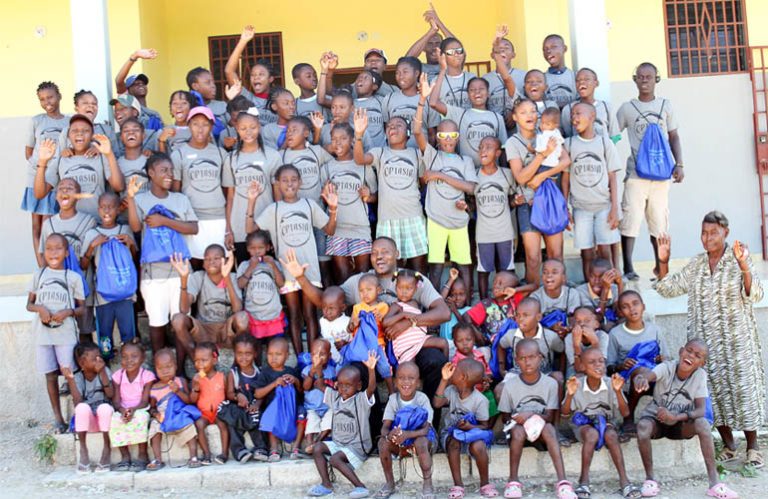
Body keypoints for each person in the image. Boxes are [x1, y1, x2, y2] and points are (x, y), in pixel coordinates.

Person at [654, 212, 765, 469]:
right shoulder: (696, 265)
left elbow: (755, 294)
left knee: (743, 391)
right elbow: (668, 288)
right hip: (704, 347)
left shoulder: (738, 259)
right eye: (704, 233)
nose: (707, 238)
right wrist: (663, 261)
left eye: (714, 232)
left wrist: (745, 266)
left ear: (726, 233)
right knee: (711, 391)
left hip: (737, 342)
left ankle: (753, 447)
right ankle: (728, 445)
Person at [280, 237, 451, 403]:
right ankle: (374, 419)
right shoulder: (360, 282)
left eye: (385, 252)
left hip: (409, 344)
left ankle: (429, 417)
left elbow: (444, 312)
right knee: (357, 370)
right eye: (374, 253)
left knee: (435, 360)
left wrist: (409, 322)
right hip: (374, 348)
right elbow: (326, 302)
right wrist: (301, 278)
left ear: (396, 254)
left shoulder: (410, 278)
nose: (379, 256)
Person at [246, 164, 339, 354]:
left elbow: (330, 230)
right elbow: (249, 230)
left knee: (310, 314)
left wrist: (333, 208)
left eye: (293, 180)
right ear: (278, 184)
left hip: (309, 269)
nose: (289, 184)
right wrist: (252, 201)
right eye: (285, 180)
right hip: (287, 271)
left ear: (300, 182)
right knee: (295, 315)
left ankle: (313, 357)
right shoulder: (274, 209)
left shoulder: (309, 205)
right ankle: (300, 358)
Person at [633, 339, 738, 498]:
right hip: (658, 421)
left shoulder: (700, 375)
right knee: (643, 426)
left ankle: (714, 484)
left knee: (702, 424)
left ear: (702, 363)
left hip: (681, 424)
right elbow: (651, 374)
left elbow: (701, 410)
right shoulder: (667, 367)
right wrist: (642, 378)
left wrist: (675, 416)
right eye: (689, 351)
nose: (691, 356)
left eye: (697, 355)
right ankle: (650, 480)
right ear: (681, 351)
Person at [125, 153, 199, 353]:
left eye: (171, 170)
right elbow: (135, 227)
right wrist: (130, 198)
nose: (170, 174)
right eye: (164, 170)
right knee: (156, 322)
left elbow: (193, 228)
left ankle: (181, 368)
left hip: (180, 270)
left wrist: (164, 221)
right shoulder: (140, 199)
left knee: (180, 321)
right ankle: (160, 365)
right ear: (151, 173)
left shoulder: (180, 199)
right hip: (153, 272)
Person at [617, 62, 684, 281]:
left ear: (656, 79)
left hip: (661, 175)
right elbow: (614, 134)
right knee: (630, 219)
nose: (644, 80)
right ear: (635, 79)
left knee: (659, 222)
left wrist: (679, 164)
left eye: (649, 76)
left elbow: (673, 136)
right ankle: (628, 267)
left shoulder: (666, 105)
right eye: (641, 76)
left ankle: (660, 267)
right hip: (636, 174)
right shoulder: (627, 108)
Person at [415, 75, 477, 292]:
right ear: (437, 138)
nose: (448, 139)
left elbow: (471, 187)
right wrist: (422, 100)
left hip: (459, 220)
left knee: (464, 265)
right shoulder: (432, 156)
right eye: (443, 135)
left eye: (452, 135)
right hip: (436, 220)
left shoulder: (465, 160)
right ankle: (434, 303)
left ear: (458, 137)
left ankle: (467, 302)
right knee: (436, 267)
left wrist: (440, 176)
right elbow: (417, 132)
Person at [498, 339, 576, 499]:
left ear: (540, 358)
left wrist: (529, 415)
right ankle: (513, 481)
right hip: (517, 434)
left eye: (532, 357)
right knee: (518, 431)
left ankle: (563, 483)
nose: (527, 362)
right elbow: (505, 417)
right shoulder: (510, 385)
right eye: (522, 358)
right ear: (516, 361)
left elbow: (549, 416)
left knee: (549, 429)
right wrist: (519, 419)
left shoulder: (550, 384)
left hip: (541, 432)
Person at [353, 110, 428, 274]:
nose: (392, 128)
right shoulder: (380, 152)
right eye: (389, 126)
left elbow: (423, 184)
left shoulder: (416, 154)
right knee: (393, 266)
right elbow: (359, 159)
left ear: (408, 133)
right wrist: (359, 135)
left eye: (398, 125)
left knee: (418, 263)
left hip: (413, 217)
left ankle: (420, 289)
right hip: (387, 220)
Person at [505, 99, 570, 285]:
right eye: (523, 112)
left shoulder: (549, 133)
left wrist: (541, 176)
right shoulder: (513, 143)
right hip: (528, 204)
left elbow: (566, 161)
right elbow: (521, 178)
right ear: (515, 117)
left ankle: (557, 296)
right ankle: (533, 297)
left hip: (550, 202)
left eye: (533, 111)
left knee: (556, 255)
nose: (530, 115)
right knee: (533, 258)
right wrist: (542, 155)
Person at [561, 347, 640, 499]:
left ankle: (625, 482)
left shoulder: (611, 383)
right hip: (582, 424)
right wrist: (570, 395)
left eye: (601, 361)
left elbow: (625, 413)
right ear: (582, 366)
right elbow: (564, 414)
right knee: (591, 434)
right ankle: (583, 481)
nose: (598, 365)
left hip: (606, 422)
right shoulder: (576, 384)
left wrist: (618, 391)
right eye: (592, 362)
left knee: (611, 435)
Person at [27, 233, 86, 433]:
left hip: (65, 334)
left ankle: (80, 417)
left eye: (58, 248)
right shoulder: (39, 275)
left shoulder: (73, 277)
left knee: (71, 374)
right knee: (50, 375)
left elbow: (82, 309)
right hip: (43, 335)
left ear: (67, 252)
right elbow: (29, 304)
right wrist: (40, 309)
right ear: (44, 252)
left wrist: (68, 312)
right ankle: (58, 418)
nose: (53, 253)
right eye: (49, 249)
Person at [562, 102, 621, 280]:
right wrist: (565, 207)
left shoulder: (605, 143)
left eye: (578, 114)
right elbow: (565, 178)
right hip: (581, 208)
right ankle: (589, 287)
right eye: (572, 115)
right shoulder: (569, 144)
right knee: (586, 252)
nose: (574, 118)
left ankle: (608, 288)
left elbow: (612, 177)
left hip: (604, 206)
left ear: (592, 116)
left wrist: (615, 207)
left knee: (604, 251)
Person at [306, 354, 379, 498]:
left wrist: (371, 370)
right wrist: (318, 367)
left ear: (358, 386)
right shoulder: (335, 397)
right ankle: (326, 485)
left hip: (357, 448)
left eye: (348, 385)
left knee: (335, 459)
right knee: (318, 447)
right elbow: (320, 385)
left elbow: (371, 388)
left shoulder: (360, 400)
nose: (343, 389)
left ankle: (360, 486)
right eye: (340, 385)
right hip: (339, 444)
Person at [36, 178, 96, 344]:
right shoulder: (49, 224)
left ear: (78, 195)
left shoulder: (89, 221)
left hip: (83, 286)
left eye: (70, 188)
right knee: (61, 336)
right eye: (61, 188)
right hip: (58, 291)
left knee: (85, 334)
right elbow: (44, 258)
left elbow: (90, 259)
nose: (64, 190)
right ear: (56, 195)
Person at [169, 245, 248, 370]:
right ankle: (197, 362)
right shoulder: (198, 277)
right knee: (177, 319)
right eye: (207, 259)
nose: (211, 261)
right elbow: (184, 310)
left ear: (225, 261)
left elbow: (238, 309)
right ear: (203, 263)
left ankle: (237, 365)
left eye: (216, 258)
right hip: (203, 330)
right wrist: (184, 279)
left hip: (226, 330)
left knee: (242, 317)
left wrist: (226, 277)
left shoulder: (233, 277)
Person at [35, 114, 125, 220]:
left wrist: (109, 154)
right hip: (71, 224)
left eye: (85, 130)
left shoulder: (100, 157)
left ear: (92, 135)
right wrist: (42, 162)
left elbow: (119, 186)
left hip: (98, 222)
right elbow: (39, 194)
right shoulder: (61, 159)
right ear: (68, 136)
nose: (80, 133)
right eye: (75, 130)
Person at [171, 106, 231, 261]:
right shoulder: (179, 154)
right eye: (195, 124)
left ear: (211, 127)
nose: (200, 129)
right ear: (189, 125)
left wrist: (228, 228)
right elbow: (176, 193)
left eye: (205, 124)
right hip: (192, 220)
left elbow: (227, 191)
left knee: (220, 262)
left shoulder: (220, 153)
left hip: (218, 218)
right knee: (195, 262)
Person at [320, 122, 377, 283]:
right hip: (337, 229)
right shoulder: (327, 168)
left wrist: (369, 196)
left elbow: (376, 195)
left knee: (363, 275)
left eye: (343, 138)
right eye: (334, 139)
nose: (337, 143)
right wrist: (326, 194)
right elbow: (322, 198)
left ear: (352, 140)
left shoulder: (363, 167)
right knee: (342, 277)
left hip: (360, 227)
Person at [80, 192, 137, 355]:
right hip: (102, 296)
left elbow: (134, 259)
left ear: (119, 209)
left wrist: (131, 244)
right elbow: (83, 265)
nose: (106, 211)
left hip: (125, 293)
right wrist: (92, 246)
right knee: (105, 337)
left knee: (128, 335)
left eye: (111, 207)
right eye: (103, 207)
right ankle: (106, 361)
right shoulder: (92, 234)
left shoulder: (125, 230)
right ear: (98, 210)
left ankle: (128, 361)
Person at [607, 290, 668, 435]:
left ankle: (666, 419)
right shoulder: (615, 334)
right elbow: (609, 367)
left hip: (653, 374)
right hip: (630, 377)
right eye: (625, 306)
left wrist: (661, 359)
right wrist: (621, 366)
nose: (632, 309)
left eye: (635, 304)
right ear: (620, 312)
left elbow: (667, 359)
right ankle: (628, 419)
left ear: (643, 306)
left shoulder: (654, 329)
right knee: (640, 372)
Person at [433, 359, 496, 499]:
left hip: (470, 435)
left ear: (463, 377)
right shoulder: (451, 391)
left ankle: (485, 483)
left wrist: (470, 427)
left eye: (455, 370)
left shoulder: (480, 400)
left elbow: (485, 426)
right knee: (454, 441)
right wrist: (444, 380)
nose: (452, 371)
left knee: (479, 445)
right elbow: (437, 403)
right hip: (451, 434)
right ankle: (458, 485)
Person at [224, 109, 281, 262]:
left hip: (265, 227)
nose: (248, 132)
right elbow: (230, 197)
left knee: (269, 270)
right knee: (245, 271)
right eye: (243, 128)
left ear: (259, 127)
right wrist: (228, 230)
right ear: (237, 129)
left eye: (253, 127)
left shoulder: (272, 156)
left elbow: (278, 196)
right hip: (239, 227)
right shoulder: (231, 159)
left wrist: (277, 228)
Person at [472, 136, 524, 299]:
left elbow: (511, 198)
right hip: (484, 233)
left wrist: (515, 201)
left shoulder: (507, 174)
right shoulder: (474, 175)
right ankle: (484, 303)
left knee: (507, 268)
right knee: (483, 270)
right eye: (481, 147)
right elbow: (471, 202)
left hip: (504, 232)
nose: (483, 150)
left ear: (498, 153)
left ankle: (509, 301)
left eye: (488, 147)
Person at [22, 81, 68, 264]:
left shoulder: (68, 121)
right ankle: (41, 265)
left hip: (55, 179)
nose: (47, 102)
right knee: (36, 225)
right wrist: (40, 164)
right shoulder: (36, 121)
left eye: (50, 97)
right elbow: (28, 152)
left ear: (59, 97)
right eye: (42, 99)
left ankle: (52, 263)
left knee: (49, 223)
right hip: (36, 176)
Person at [377, 361, 436, 499]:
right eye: (401, 378)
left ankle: (428, 484)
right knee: (382, 443)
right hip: (401, 442)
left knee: (421, 441)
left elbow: (425, 430)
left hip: (422, 440)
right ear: (395, 381)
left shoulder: (422, 399)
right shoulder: (393, 400)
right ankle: (389, 483)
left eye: (411, 378)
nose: (406, 382)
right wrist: (390, 434)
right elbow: (384, 428)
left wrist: (407, 434)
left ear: (418, 383)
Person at [236, 230, 285, 363]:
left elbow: (281, 283)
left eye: (260, 248)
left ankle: (272, 369)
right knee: (255, 347)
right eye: (252, 248)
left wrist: (273, 265)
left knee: (272, 346)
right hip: (254, 315)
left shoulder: (274, 264)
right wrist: (251, 268)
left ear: (268, 247)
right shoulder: (245, 265)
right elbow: (240, 284)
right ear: (247, 249)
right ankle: (257, 368)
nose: (257, 252)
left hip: (272, 314)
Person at [64, 343, 114, 474]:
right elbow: (78, 403)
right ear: (82, 363)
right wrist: (71, 381)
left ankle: (107, 448)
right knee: (81, 408)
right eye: (94, 359)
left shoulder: (105, 371)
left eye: (99, 357)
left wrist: (102, 372)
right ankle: (83, 450)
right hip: (89, 423)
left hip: (105, 421)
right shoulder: (78, 377)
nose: (99, 361)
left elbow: (110, 394)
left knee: (104, 408)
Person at [218, 333, 268, 463]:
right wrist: (237, 396)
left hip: (254, 405)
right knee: (232, 421)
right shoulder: (233, 373)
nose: (243, 357)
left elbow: (262, 392)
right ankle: (239, 450)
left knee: (259, 417)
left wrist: (257, 404)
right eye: (239, 353)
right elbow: (229, 393)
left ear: (255, 354)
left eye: (248, 354)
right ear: (234, 353)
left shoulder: (259, 372)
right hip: (239, 406)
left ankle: (261, 448)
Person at [146, 348, 200, 470]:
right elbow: (152, 408)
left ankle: (193, 457)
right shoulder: (154, 388)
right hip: (163, 416)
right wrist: (156, 415)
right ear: (155, 369)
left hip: (179, 413)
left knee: (189, 424)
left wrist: (177, 391)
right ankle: (157, 459)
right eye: (160, 368)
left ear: (175, 366)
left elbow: (188, 401)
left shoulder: (181, 381)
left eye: (169, 367)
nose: (165, 371)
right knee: (154, 427)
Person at [252, 337, 305, 461]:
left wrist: (296, 381)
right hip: (274, 409)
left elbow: (301, 391)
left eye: (278, 354)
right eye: (270, 354)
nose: (273, 358)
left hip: (292, 408)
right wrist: (274, 384)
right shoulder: (265, 373)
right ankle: (274, 448)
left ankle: (296, 447)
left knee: (302, 413)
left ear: (287, 355)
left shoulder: (291, 371)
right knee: (270, 415)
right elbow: (257, 394)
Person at [383, 269, 450, 363]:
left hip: (420, 340)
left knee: (443, 343)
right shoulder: (397, 306)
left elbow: (444, 313)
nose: (404, 292)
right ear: (395, 287)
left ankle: (446, 368)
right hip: (406, 345)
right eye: (400, 287)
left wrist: (410, 321)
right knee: (411, 368)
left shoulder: (415, 303)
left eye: (409, 288)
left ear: (415, 289)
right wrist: (403, 314)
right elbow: (385, 322)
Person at [109, 342, 155, 472]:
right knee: (115, 419)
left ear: (142, 358)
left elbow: (145, 401)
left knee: (141, 418)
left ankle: (142, 454)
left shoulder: (147, 376)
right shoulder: (118, 376)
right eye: (125, 357)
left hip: (140, 408)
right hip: (123, 409)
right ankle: (124, 455)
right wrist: (123, 411)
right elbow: (116, 402)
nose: (129, 360)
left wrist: (133, 410)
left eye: (134, 356)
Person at [496, 297, 564, 380]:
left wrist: (561, 371)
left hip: (544, 375)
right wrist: (501, 368)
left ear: (538, 317)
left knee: (558, 377)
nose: (520, 319)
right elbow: (501, 345)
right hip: (518, 374)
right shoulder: (511, 335)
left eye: (525, 315)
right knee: (501, 387)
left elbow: (562, 351)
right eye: (518, 315)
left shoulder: (550, 337)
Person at [381, 56, 440, 148]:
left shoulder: (428, 99)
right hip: (396, 154)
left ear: (416, 73)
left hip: (420, 154)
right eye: (397, 73)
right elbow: (386, 128)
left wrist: (426, 154)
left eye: (405, 72)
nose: (400, 76)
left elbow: (432, 134)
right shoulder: (389, 98)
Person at [224, 26, 277, 125]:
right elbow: (229, 71)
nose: (256, 77)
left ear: (270, 79)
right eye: (253, 75)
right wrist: (243, 41)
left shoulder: (279, 101)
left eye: (261, 74)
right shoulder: (247, 97)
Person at [464, 270, 533, 346]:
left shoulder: (515, 299)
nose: (495, 285)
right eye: (494, 282)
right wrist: (475, 330)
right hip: (493, 345)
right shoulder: (486, 304)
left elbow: (534, 287)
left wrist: (516, 290)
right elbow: (466, 316)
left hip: (514, 342)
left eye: (500, 283)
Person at [451, 324, 498, 425]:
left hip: (483, 390)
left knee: (492, 405)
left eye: (468, 339)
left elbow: (487, 371)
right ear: (454, 343)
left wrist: (487, 379)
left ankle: (487, 428)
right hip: (467, 394)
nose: (465, 343)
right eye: (460, 341)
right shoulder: (456, 361)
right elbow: (455, 380)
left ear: (474, 340)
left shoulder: (479, 355)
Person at [190, 342, 229, 465]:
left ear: (214, 360)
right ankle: (206, 454)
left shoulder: (221, 377)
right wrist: (196, 387)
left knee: (223, 424)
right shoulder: (197, 378)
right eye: (197, 361)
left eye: (204, 360)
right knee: (199, 424)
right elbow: (192, 400)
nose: (200, 364)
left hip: (219, 412)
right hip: (204, 414)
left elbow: (227, 396)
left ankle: (224, 453)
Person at [560, 68, 620, 142]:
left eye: (586, 79)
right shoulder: (568, 109)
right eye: (578, 80)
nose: (581, 82)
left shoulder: (607, 107)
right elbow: (568, 136)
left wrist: (606, 148)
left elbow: (614, 136)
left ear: (596, 83)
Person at [483, 26, 525, 125]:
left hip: (518, 126)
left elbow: (529, 101)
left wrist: (515, 112)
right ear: (493, 55)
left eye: (506, 48)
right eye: (499, 49)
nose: (502, 51)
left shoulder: (524, 75)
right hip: (494, 126)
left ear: (513, 54)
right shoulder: (485, 79)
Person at [530, 259, 585, 334]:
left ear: (563, 277)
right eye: (545, 272)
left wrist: (567, 328)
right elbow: (532, 325)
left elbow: (574, 318)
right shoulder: (535, 297)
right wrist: (551, 329)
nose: (549, 275)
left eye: (554, 272)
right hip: (544, 333)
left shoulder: (571, 294)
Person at [114, 48, 164, 129]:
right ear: (128, 90)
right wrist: (134, 56)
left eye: (143, 83)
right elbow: (119, 81)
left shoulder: (153, 115)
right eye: (136, 84)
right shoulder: (127, 102)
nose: (141, 85)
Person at [301, 339, 335, 455]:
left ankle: (318, 441)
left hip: (328, 406)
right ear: (310, 356)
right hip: (312, 407)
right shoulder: (307, 370)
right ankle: (309, 443)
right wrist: (312, 372)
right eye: (314, 354)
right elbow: (306, 387)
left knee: (329, 422)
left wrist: (320, 372)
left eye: (322, 354)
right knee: (311, 424)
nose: (318, 357)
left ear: (329, 356)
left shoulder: (332, 371)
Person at [405, 3, 455, 81]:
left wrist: (438, 22)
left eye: (437, 43)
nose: (434, 47)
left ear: (443, 47)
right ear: (423, 48)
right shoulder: (419, 67)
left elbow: (456, 47)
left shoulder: (451, 65)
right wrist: (432, 30)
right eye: (430, 44)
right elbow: (407, 59)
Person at [116, 119, 151, 220]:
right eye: (126, 131)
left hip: (149, 218)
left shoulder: (151, 160)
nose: (131, 133)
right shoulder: (116, 164)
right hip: (125, 219)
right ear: (121, 137)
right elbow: (112, 194)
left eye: (135, 130)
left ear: (143, 135)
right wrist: (120, 203)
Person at [575, 259, 623, 329]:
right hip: (592, 325)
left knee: (623, 321)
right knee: (607, 326)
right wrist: (605, 290)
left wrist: (620, 284)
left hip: (611, 321)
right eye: (592, 276)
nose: (596, 281)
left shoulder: (614, 288)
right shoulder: (581, 291)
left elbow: (621, 313)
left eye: (601, 278)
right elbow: (597, 318)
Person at [565, 307, 609, 378]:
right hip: (575, 371)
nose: (582, 324)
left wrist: (595, 342)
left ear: (596, 324)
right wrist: (576, 345)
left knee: (600, 375)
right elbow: (579, 369)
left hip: (598, 370)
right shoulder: (569, 338)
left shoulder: (602, 336)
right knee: (579, 377)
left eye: (587, 321)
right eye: (578, 321)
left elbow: (598, 365)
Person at [432, 37, 476, 109]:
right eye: (451, 52)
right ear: (443, 56)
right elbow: (433, 103)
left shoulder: (472, 77)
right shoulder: (436, 81)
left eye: (459, 51)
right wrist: (443, 68)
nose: (456, 54)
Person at [542, 34, 577, 107]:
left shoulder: (576, 77)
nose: (548, 51)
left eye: (553, 47)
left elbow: (581, 103)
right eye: (545, 49)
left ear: (564, 49)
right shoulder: (541, 79)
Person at [157, 90, 197, 155]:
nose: (179, 106)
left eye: (184, 103)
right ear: (171, 109)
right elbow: (162, 158)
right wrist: (161, 141)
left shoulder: (199, 129)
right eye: (175, 103)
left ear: (191, 107)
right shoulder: (164, 132)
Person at [440, 268, 471, 348]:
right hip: (445, 346)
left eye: (461, 294)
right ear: (448, 296)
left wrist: (455, 311)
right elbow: (439, 301)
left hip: (461, 347)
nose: (458, 298)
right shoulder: (445, 309)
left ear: (467, 294)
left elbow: (467, 327)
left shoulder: (469, 310)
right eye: (453, 295)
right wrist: (451, 280)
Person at [318, 286, 350, 364]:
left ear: (343, 307)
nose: (327, 312)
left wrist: (346, 344)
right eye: (324, 307)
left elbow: (354, 342)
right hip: (328, 361)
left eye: (331, 308)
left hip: (345, 360)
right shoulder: (322, 321)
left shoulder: (348, 322)